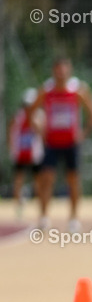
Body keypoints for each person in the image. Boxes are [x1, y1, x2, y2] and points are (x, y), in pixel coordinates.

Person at [26, 58, 92, 232]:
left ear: (69, 71)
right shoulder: (46, 90)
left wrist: (84, 133)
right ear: (53, 71)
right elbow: (30, 110)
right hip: (51, 142)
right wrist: (38, 129)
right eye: (58, 70)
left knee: (73, 180)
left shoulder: (77, 91)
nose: (61, 74)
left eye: (64, 70)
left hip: (71, 143)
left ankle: (73, 217)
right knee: (47, 178)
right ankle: (43, 217)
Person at [8, 89, 44, 219]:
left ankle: (41, 211)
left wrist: (34, 122)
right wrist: (11, 148)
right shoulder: (18, 116)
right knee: (18, 180)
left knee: (39, 182)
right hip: (20, 154)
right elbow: (10, 131)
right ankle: (18, 206)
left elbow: (42, 132)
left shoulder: (39, 115)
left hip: (35, 154)